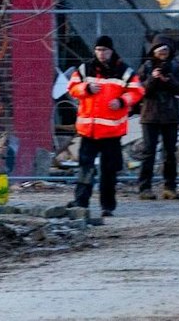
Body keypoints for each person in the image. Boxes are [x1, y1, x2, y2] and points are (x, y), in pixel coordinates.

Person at [67, 35, 143, 223]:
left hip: (111, 132)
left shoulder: (123, 71)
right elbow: (72, 88)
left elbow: (137, 91)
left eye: (105, 50)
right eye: (99, 50)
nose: (102, 54)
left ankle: (107, 206)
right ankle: (81, 202)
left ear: (111, 51)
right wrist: (85, 88)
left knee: (109, 171)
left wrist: (122, 101)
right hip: (89, 131)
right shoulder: (85, 69)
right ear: (95, 51)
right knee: (85, 167)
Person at [136, 37, 179, 199]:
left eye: (165, 50)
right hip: (150, 115)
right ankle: (145, 188)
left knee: (170, 153)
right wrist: (153, 78)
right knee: (148, 152)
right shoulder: (146, 67)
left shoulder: (174, 67)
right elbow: (141, 91)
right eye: (159, 50)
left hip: (170, 115)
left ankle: (170, 187)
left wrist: (168, 80)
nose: (163, 53)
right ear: (154, 51)